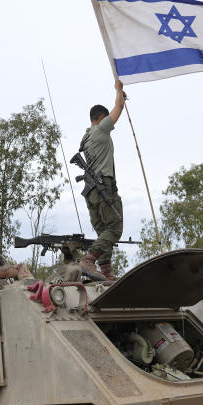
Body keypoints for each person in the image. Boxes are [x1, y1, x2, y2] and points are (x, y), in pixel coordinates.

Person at [79, 78, 127, 280]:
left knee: (103, 234)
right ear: (101, 117)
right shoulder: (100, 130)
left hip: (91, 192)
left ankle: (106, 273)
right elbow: (118, 108)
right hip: (104, 188)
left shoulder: (85, 138)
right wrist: (119, 91)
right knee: (115, 228)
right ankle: (88, 260)